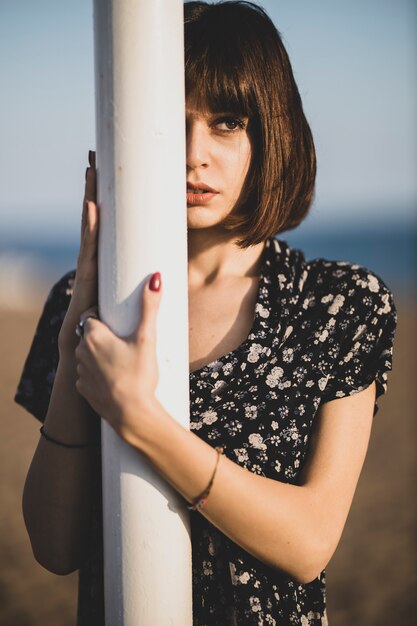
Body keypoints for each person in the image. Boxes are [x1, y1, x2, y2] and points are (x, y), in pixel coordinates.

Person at [16, 2, 397, 625]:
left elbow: (309, 545)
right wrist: (73, 339)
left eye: (226, 122)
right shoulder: (76, 302)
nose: (194, 153)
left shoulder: (338, 303)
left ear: (270, 132)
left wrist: (144, 422)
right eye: (173, 121)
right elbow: (53, 549)